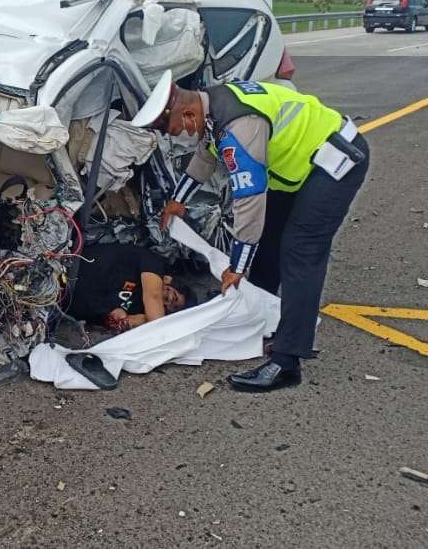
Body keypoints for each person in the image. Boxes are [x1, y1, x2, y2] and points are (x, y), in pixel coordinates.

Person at [130, 70, 369, 392]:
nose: (177, 137)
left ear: (188, 113)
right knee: (269, 243)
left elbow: (249, 202)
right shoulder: (213, 105)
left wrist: (236, 266)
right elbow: (205, 155)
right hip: (302, 167)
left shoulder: (239, 126)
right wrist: (177, 200)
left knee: (301, 252)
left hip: (335, 163)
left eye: (175, 130)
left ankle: (287, 361)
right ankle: (259, 317)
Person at [67, 243, 194, 333]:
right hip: (70, 268)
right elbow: (153, 298)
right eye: (174, 297)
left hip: (62, 302)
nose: (169, 302)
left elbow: (115, 322)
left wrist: (125, 320)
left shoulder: (140, 311)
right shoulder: (153, 264)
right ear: (168, 280)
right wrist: (151, 322)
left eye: (175, 308)